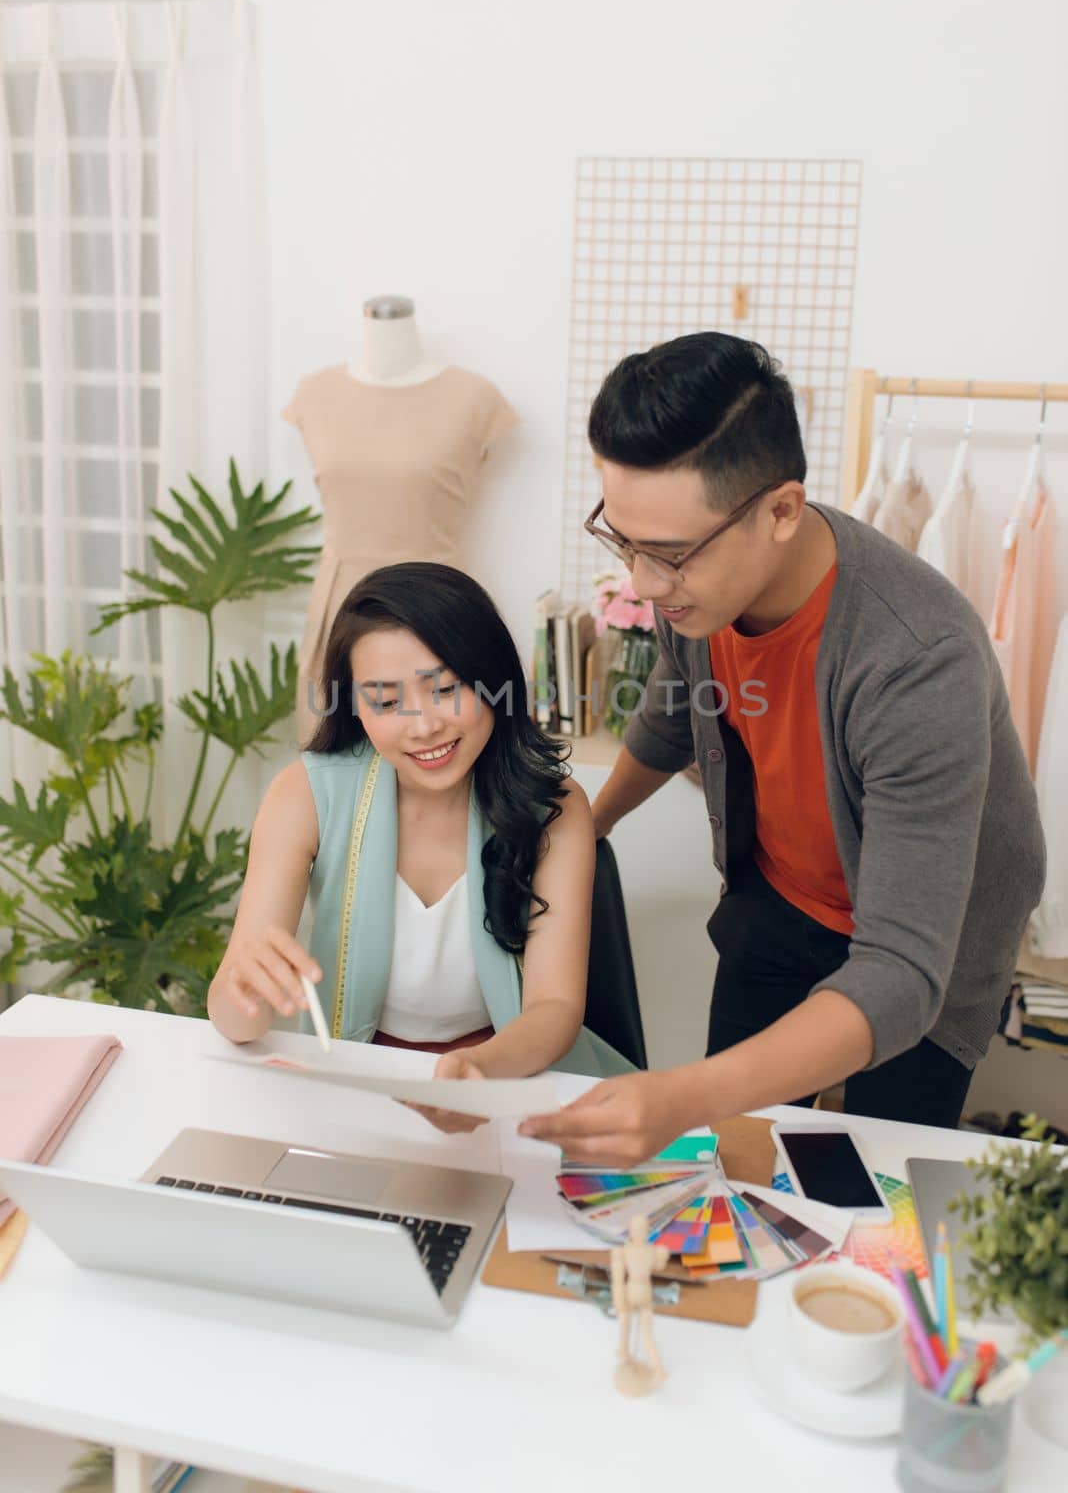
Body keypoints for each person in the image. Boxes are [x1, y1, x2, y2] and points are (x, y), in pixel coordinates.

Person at [520, 332, 1045, 1162]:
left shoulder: (917, 659)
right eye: (622, 542)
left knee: (878, 1179)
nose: (644, 584)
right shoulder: (694, 588)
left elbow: (901, 972)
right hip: (783, 893)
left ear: (781, 511)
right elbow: (673, 708)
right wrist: (592, 823)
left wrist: (682, 1094)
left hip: (929, 938)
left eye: (668, 555)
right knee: (736, 1159)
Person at [208, 562, 632, 1129]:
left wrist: (477, 1074)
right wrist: (244, 988)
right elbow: (235, 1017)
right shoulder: (305, 793)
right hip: (359, 1079)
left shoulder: (555, 807)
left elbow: (555, 1009)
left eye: (447, 689)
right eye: (385, 702)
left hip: (512, 1073)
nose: (423, 725)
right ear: (354, 707)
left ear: (493, 682)